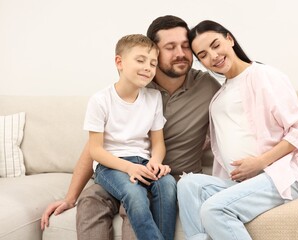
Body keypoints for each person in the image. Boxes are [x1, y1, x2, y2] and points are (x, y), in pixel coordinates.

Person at [40, 15, 221, 240]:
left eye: (186, 46)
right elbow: (97, 145)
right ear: (155, 51)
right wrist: (70, 197)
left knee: (136, 202)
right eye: (170, 47)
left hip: (165, 176)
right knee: (90, 199)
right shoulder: (138, 85)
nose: (181, 54)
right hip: (122, 169)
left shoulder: (207, 86)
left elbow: (239, 108)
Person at [177, 20, 298, 240]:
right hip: (242, 182)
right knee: (187, 184)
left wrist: (261, 161)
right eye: (203, 55)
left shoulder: (263, 75)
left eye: (215, 45)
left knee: (213, 209)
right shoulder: (218, 97)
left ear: (229, 39)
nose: (213, 56)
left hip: (277, 175)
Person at [85, 33, 177, 240]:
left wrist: (155, 162)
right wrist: (128, 168)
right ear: (119, 62)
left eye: (153, 63)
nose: (148, 67)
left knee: (168, 185)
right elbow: (95, 150)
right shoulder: (100, 100)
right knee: (135, 193)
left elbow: (158, 143)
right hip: (111, 166)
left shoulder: (153, 98)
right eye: (140, 60)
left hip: (144, 162)